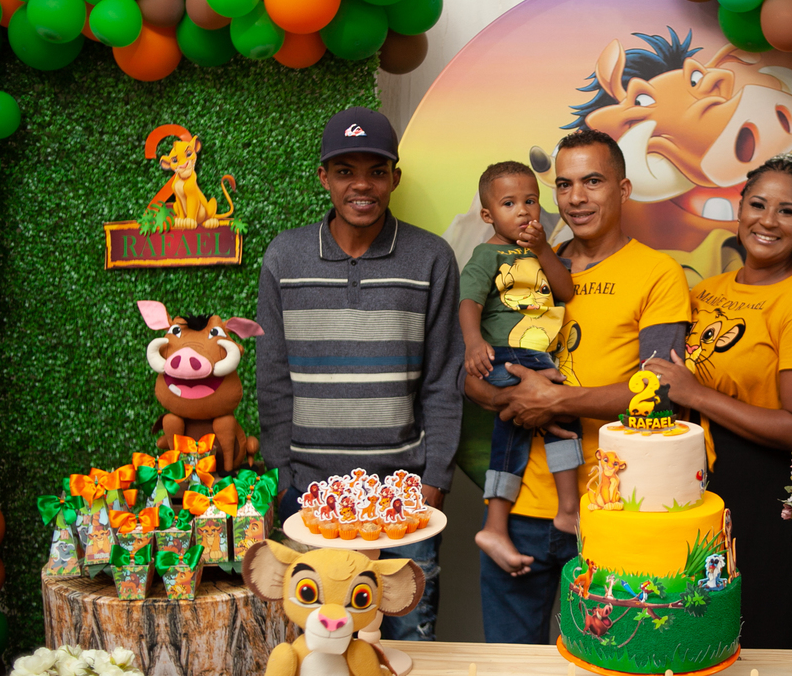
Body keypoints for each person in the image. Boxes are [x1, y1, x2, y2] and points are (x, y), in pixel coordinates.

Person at [465, 129, 691, 644]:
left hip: (610, 509)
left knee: (607, 660)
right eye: (564, 185)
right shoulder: (526, 261)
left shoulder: (657, 273)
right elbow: (471, 375)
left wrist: (557, 400)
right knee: (509, 666)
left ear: (623, 189)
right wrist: (511, 398)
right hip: (519, 506)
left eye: (593, 181)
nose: (576, 198)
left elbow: (662, 392)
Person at [256, 106, 464, 641]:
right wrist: (282, 477)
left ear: (395, 177)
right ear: (324, 178)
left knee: (407, 651)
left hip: (404, 501)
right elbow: (273, 377)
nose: (362, 185)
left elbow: (444, 378)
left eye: (376, 170)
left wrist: (434, 481)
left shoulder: (431, 258)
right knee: (317, 650)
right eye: (345, 171)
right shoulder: (285, 256)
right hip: (310, 499)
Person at [646, 153, 792, 649]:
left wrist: (696, 393)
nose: (768, 221)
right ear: (739, 210)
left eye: (786, 211)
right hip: (699, 486)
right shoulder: (705, 292)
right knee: (692, 638)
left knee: (758, 637)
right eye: (758, 205)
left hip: (767, 496)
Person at [459, 161, 582, 577]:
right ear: (488, 215)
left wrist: (544, 250)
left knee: (520, 429)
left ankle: (501, 524)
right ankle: (564, 510)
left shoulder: (539, 252)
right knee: (557, 411)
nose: (524, 211)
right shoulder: (487, 255)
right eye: (509, 204)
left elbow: (565, 291)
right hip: (509, 353)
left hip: (536, 356)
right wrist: (473, 343)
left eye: (530, 201)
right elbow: (469, 301)